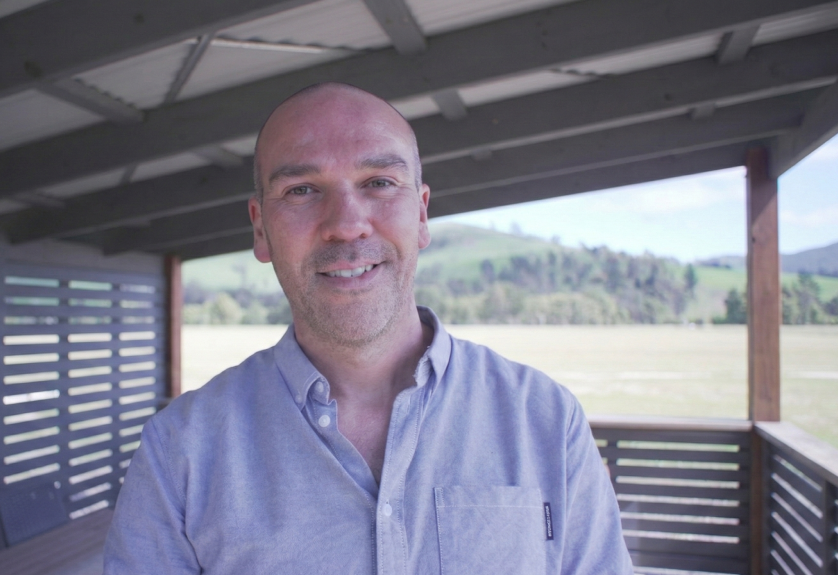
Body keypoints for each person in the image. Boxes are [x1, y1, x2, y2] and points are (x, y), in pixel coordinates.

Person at [104, 83, 633, 574]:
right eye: (302, 190)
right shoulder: (180, 451)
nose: (347, 222)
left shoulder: (544, 419)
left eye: (379, 182)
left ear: (421, 214)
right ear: (260, 229)